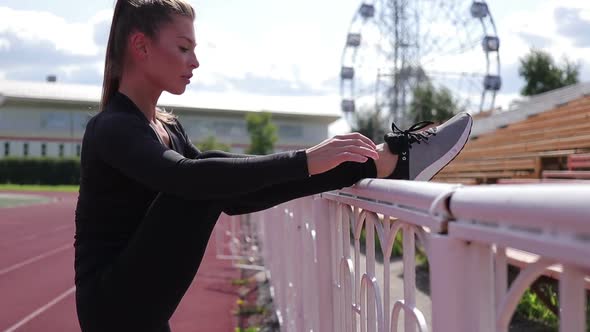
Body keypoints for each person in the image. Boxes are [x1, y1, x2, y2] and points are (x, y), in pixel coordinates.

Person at [73, 1, 472, 331]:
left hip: (142, 305)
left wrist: (330, 166)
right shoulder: (110, 128)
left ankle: (382, 164)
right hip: (112, 306)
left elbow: (230, 198)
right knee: (199, 177)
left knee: (209, 178)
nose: (195, 61)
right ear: (140, 47)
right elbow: (187, 180)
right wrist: (304, 160)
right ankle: (386, 162)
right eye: (183, 48)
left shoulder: (167, 127)